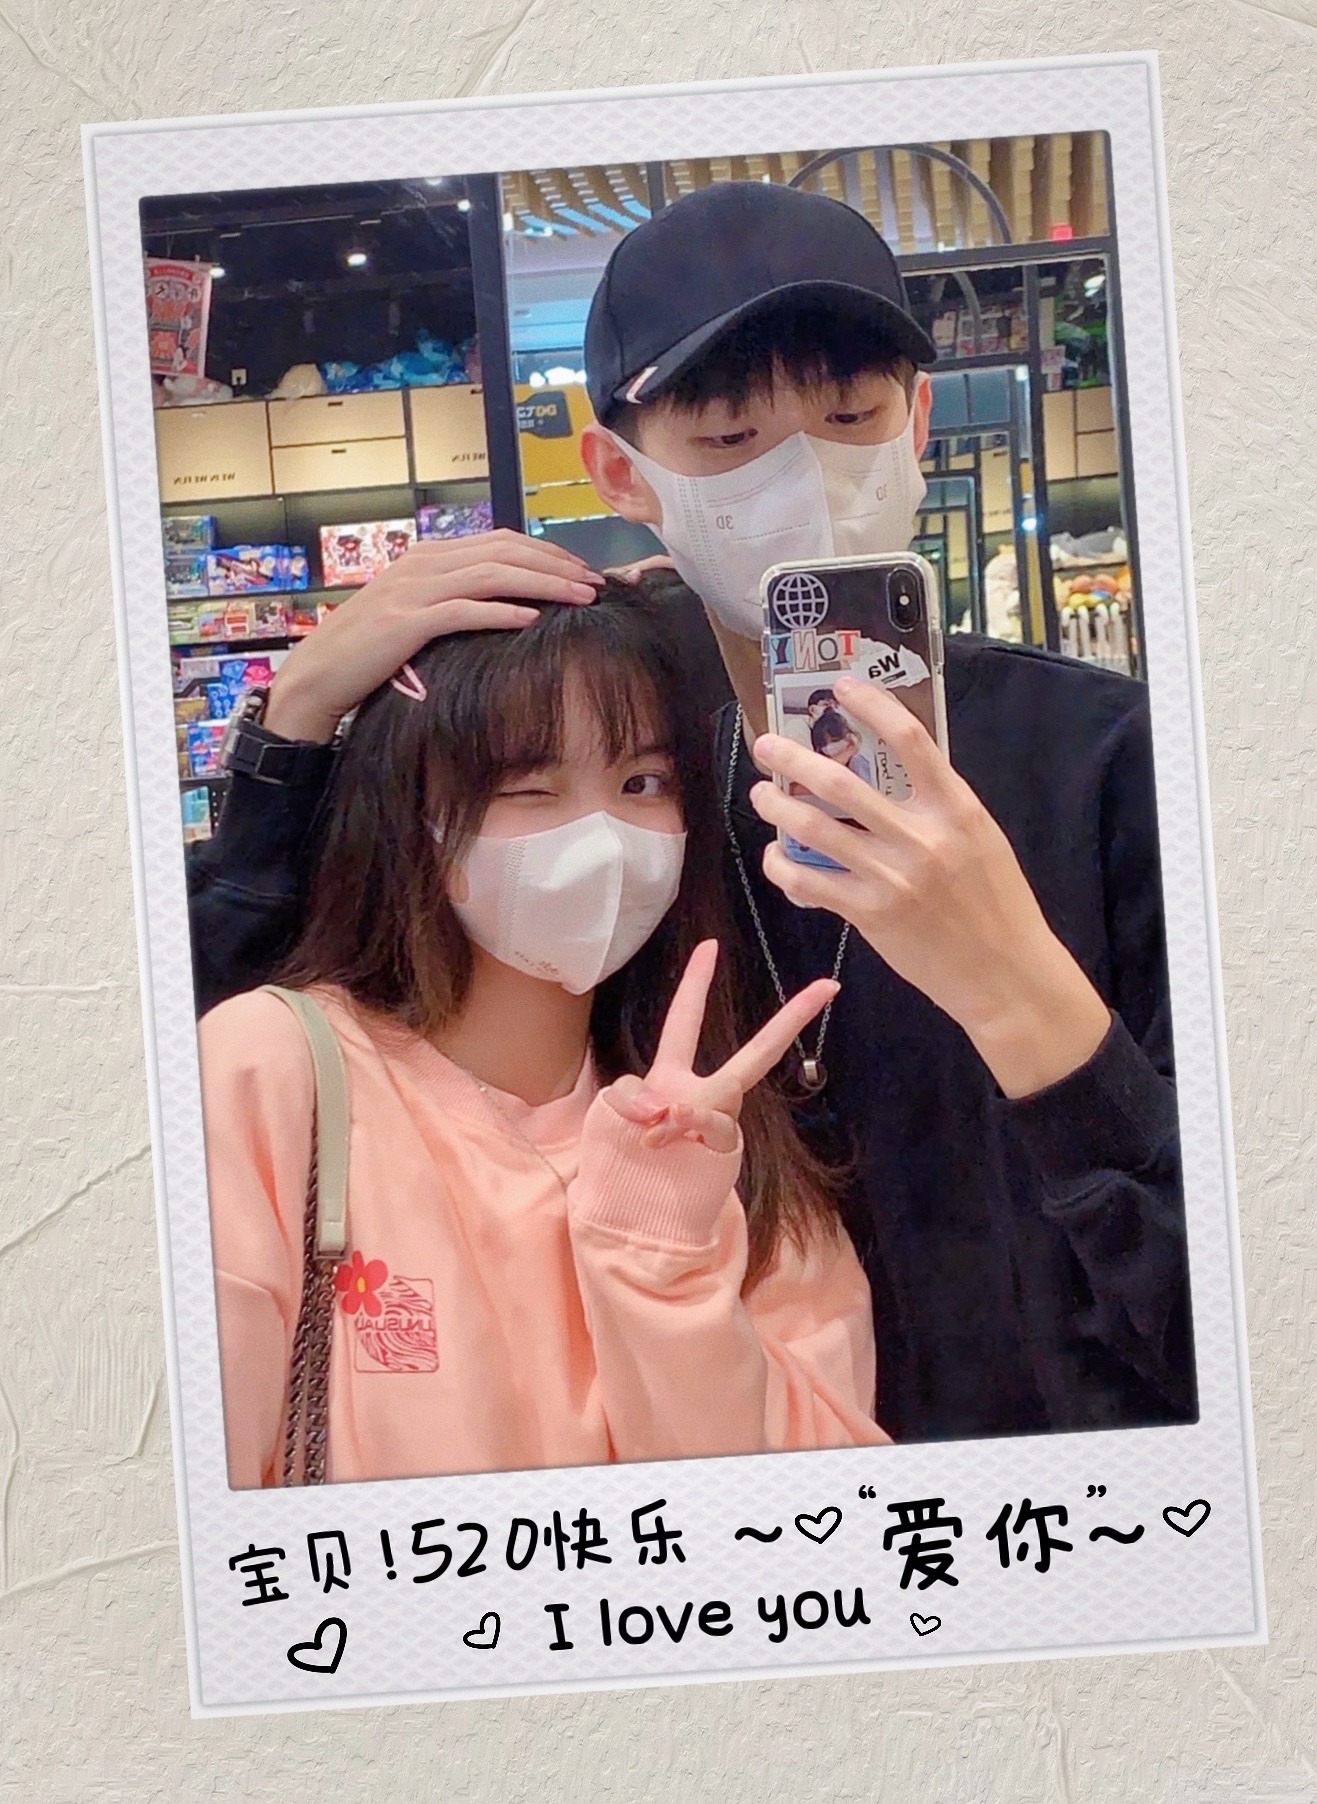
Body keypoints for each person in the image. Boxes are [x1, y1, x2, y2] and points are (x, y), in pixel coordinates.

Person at [189, 180, 1194, 1444]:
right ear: (620, 471)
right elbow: (273, 1004)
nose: (806, 475)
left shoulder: (1104, 755)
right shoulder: (618, 731)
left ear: (919, 422)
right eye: (728, 439)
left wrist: (1016, 988)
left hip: (1053, 1495)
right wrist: (296, 719)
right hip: (730, 1477)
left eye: (850, 416)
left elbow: (1226, 1298)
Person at [201, 580, 888, 1487]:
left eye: (642, 783)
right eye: (529, 788)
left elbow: (817, 1515)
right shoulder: (269, 1071)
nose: (600, 838)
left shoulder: (726, 1136)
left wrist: (664, 1266)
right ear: (408, 814)